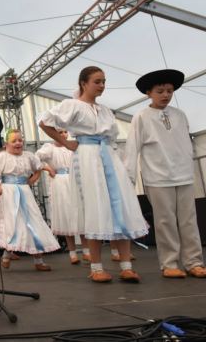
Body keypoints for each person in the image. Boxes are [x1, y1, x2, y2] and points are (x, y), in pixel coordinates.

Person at [39, 66, 148, 283]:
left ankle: (126, 266)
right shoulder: (72, 105)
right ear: (83, 83)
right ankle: (97, 267)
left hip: (109, 156)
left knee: (120, 205)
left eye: (104, 81)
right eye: (97, 81)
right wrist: (66, 143)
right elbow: (45, 122)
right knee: (94, 207)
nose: (102, 85)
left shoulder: (106, 110)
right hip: (87, 157)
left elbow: (112, 138)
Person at [124, 69, 205, 279]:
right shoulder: (141, 117)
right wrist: (128, 179)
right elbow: (132, 147)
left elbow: (186, 144)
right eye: (160, 91)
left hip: (184, 175)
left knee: (189, 220)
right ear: (148, 93)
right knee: (165, 221)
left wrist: (189, 167)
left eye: (169, 91)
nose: (166, 95)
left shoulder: (179, 115)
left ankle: (194, 262)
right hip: (158, 177)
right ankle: (169, 263)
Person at [0, 129, 60, 271]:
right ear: (6, 143)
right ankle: (7, 253)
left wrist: (32, 180)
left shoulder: (29, 156)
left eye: (20, 140)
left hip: (24, 192)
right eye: (14, 141)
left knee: (33, 222)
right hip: (8, 194)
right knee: (14, 225)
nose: (18, 143)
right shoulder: (2, 157)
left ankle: (38, 260)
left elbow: (39, 168)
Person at [35, 130, 88, 265]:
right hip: (60, 183)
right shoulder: (49, 148)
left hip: (75, 181)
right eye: (59, 131)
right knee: (66, 215)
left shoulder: (73, 145)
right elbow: (35, 158)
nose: (63, 134)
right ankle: (72, 253)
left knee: (80, 214)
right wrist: (47, 168)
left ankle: (87, 251)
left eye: (65, 131)